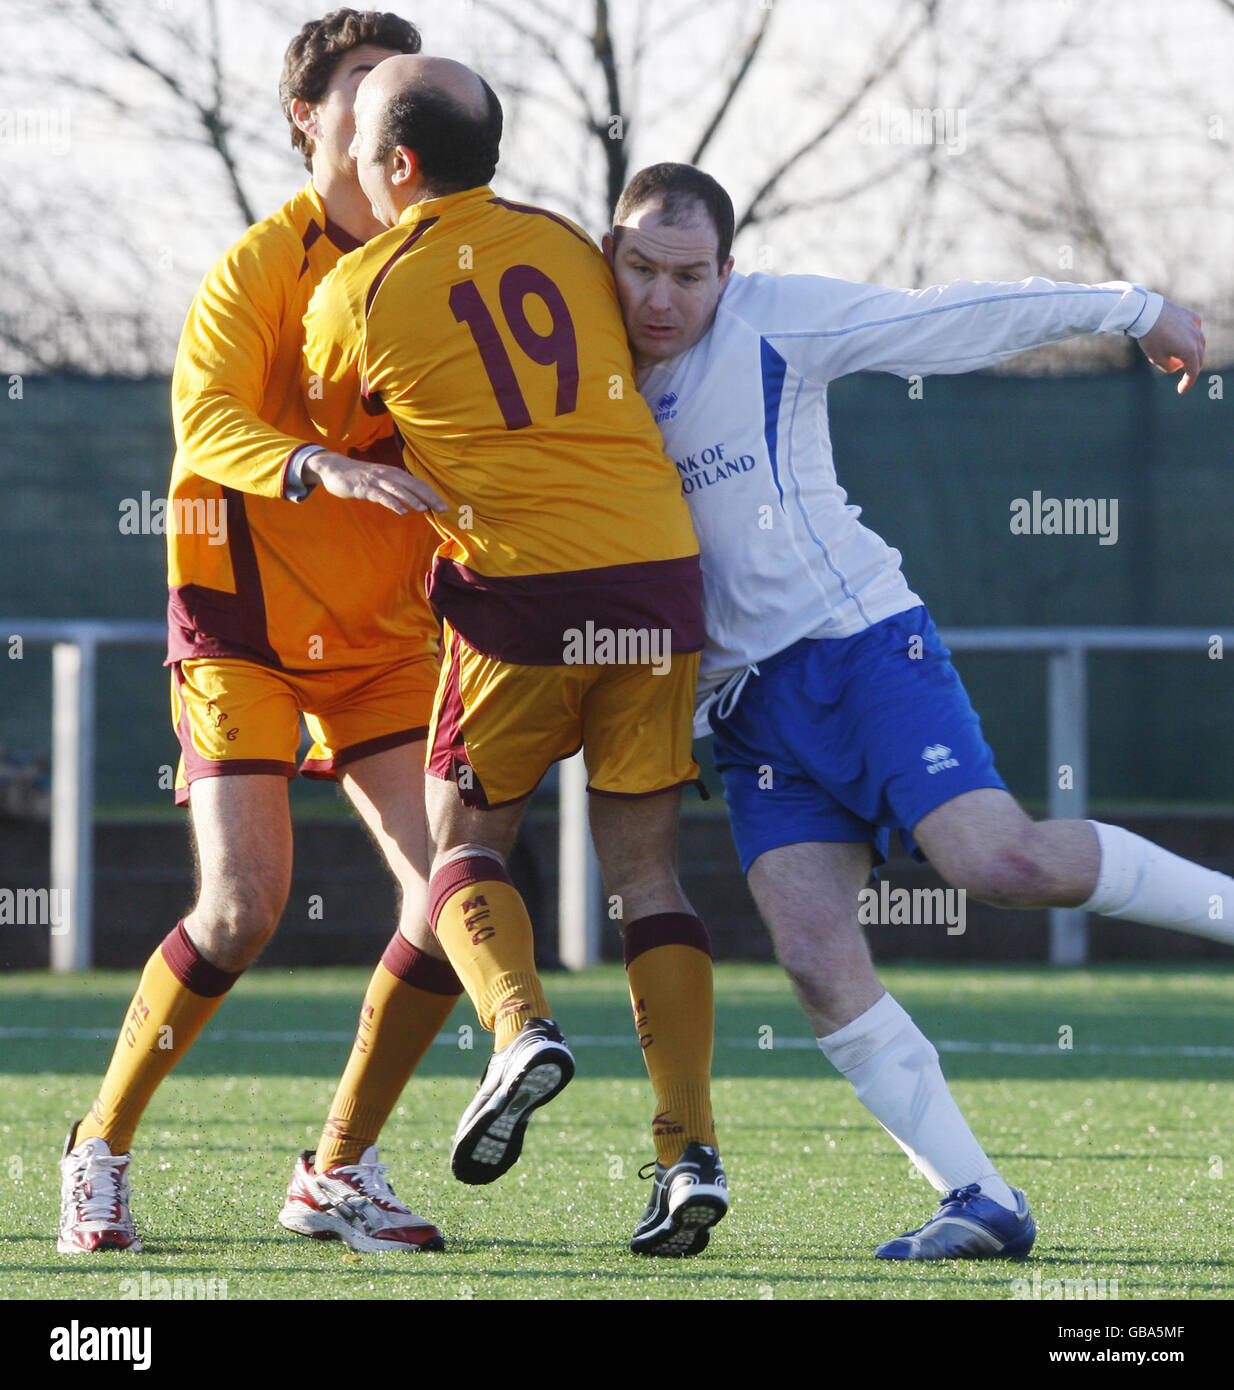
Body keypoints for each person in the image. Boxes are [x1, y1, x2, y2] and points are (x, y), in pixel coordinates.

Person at [604, 161, 1224, 1260]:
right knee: (810, 954)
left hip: (860, 653)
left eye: (688, 274)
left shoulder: (774, 318)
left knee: (1002, 866)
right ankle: (979, 1198)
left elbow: (949, 321)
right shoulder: (576, 363)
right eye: (639, 265)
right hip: (748, 716)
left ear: (726, 271)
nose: (660, 296)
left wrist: (1131, 308)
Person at [300, 57, 727, 1257]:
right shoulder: (569, 246)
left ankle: (518, 1025)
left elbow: (336, 424)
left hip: (518, 595)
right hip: (657, 575)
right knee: (650, 877)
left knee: (465, 847)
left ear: (395, 164)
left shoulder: (356, 287)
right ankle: (685, 1151)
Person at [58, 9, 464, 1259]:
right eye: (362, 84)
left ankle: (334, 1171)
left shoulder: (447, 263)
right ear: (310, 119)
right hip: (240, 614)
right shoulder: (255, 266)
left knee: (455, 896)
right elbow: (208, 432)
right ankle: (98, 1149)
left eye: (401, 82)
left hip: (390, 625)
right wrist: (318, 468)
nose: (388, 101)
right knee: (244, 908)